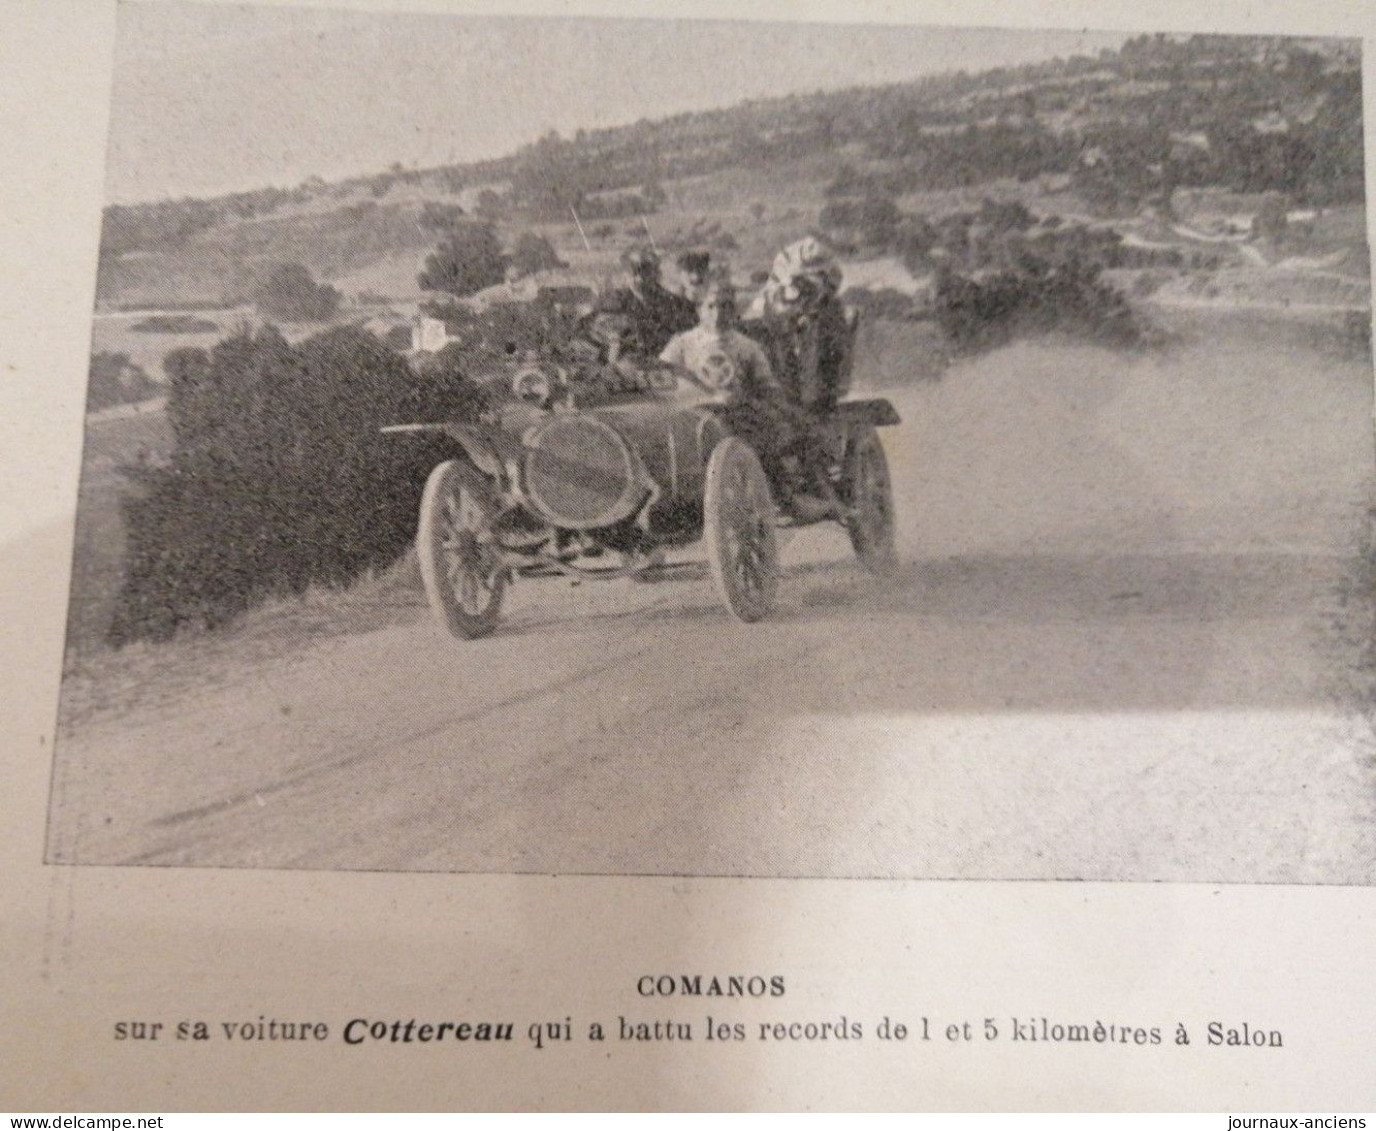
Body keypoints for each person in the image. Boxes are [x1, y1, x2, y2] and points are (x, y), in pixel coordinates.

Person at [590, 246, 697, 359]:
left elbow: (693, 336)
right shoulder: (612, 302)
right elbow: (598, 334)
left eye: (646, 273)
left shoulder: (675, 304)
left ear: (656, 273)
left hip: (664, 364)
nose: (640, 279)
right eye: (634, 274)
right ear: (625, 275)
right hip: (625, 366)